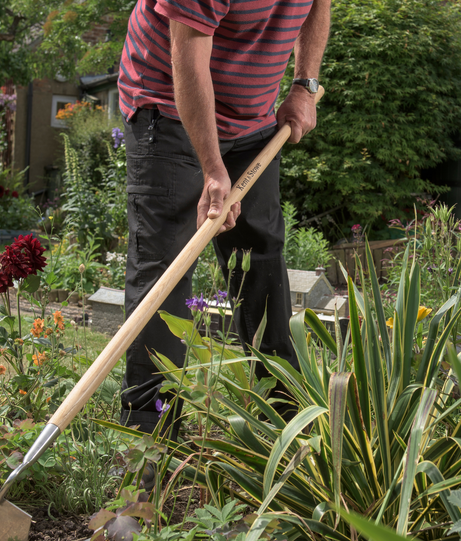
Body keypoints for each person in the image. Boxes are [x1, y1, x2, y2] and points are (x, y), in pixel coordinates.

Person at [117, 0, 331, 444]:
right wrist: (213, 169)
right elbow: (188, 60)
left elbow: (318, 5)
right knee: (165, 270)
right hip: (169, 103)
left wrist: (305, 86)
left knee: (261, 260)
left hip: (251, 116)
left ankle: (287, 432)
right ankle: (148, 450)